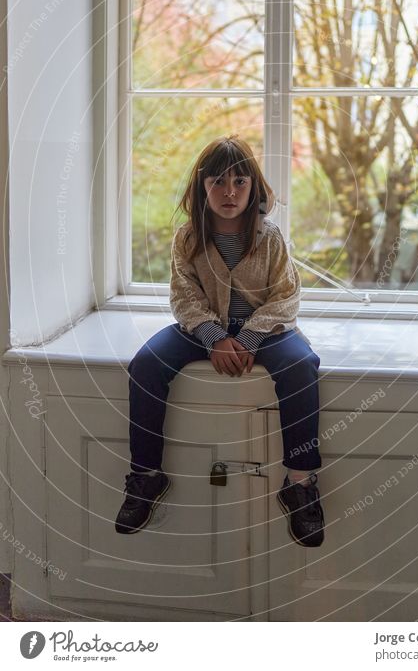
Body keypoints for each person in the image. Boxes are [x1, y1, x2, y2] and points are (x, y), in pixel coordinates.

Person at [115, 134, 325, 547]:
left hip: (265, 332)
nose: (229, 192)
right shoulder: (187, 238)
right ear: (202, 186)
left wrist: (247, 337)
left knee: (301, 366)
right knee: (146, 365)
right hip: (201, 329)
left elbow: (286, 297)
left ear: (254, 188)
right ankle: (145, 475)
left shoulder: (270, 238)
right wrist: (213, 337)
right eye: (218, 182)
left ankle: (300, 482)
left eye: (240, 182)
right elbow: (184, 297)